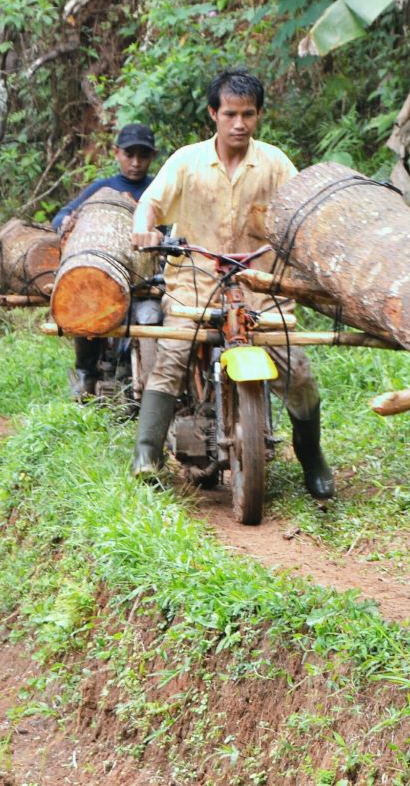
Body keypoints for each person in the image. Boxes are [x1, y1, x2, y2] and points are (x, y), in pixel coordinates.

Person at [129, 70, 334, 499]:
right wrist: (144, 228)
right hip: (195, 282)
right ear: (213, 115)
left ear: (258, 115)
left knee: (296, 369)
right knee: (172, 355)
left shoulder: (276, 163)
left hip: (261, 285)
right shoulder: (186, 161)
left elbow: (303, 211)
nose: (239, 123)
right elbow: (151, 201)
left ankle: (312, 456)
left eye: (248, 114)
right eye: (230, 114)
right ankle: (146, 454)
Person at [52, 123, 158, 399]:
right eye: (129, 154)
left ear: (152, 157)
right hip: (104, 272)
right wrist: (66, 221)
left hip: (147, 275)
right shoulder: (102, 189)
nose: (135, 163)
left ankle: (149, 378)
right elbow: (61, 215)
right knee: (84, 299)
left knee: (154, 315)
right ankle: (86, 373)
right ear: (116, 153)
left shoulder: (158, 190)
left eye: (142, 156)